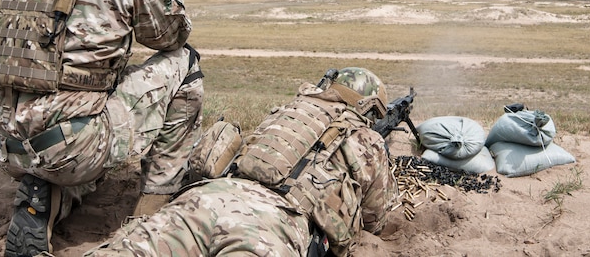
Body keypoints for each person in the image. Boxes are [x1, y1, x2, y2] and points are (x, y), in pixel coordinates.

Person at [0, 0, 204, 257]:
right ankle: (154, 209)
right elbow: (174, 34)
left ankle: (47, 196)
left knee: (85, 100)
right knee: (186, 64)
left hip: (8, 142)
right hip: (73, 147)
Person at [84, 67, 397, 257]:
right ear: (368, 109)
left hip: (205, 198)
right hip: (271, 224)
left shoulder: (287, 112)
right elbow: (374, 221)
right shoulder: (366, 139)